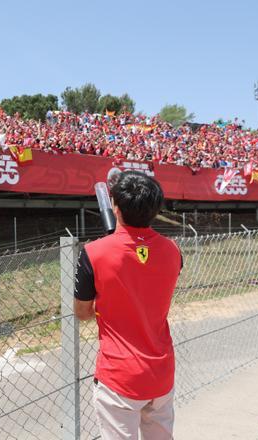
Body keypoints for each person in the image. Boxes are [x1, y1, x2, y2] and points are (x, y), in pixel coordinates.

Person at [74, 171, 182, 440]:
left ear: (115, 207)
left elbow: (82, 314)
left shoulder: (93, 253)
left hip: (119, 377)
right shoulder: (173, 251)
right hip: (161, 373)